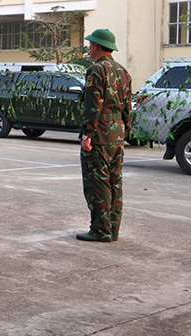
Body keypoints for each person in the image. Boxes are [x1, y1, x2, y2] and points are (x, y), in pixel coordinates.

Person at [77, 29, 132, 243]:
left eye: (91, 45)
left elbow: (93, 105)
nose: (89, 48)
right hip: (117, 134)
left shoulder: (97, 70)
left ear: (97, 46)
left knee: (97, 182)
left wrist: (87, 134)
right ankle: (113, 229)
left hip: (100, 133)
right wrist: (125, 130)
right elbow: (128, 106)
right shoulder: (122, 71)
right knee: (115, 182)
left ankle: (100, 229)